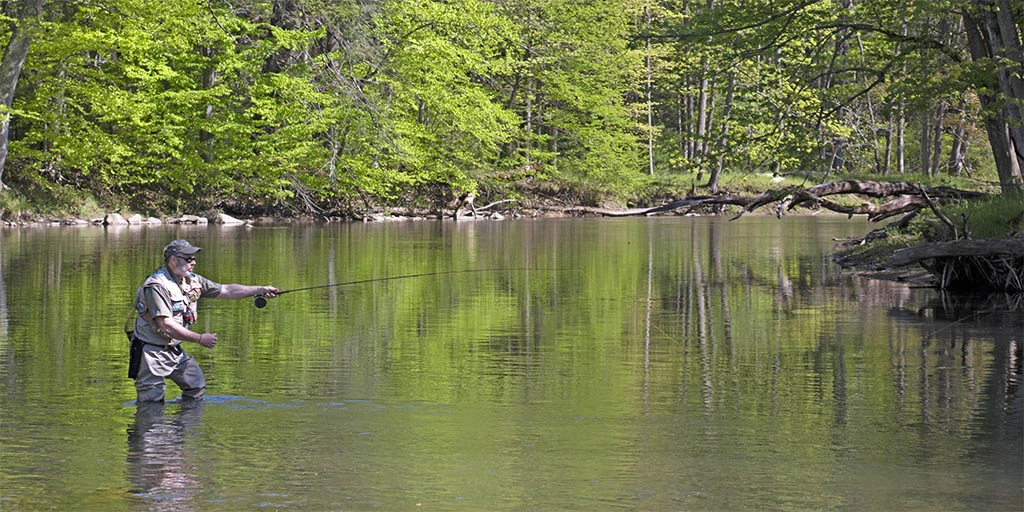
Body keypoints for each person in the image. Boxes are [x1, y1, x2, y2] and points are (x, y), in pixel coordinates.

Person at [128, 239, 278, 403]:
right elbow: (166, 326)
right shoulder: (157, 286)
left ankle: (182, 426)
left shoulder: (192, 280)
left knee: (195, 384)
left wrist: (259, 289)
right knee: (151, 402)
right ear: (173, 260)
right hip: (151, 352)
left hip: (174, 349)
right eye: (188, 259)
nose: (193, 262)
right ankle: (153, 427)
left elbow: (226, 290)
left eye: (193, 258)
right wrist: (200, 339)